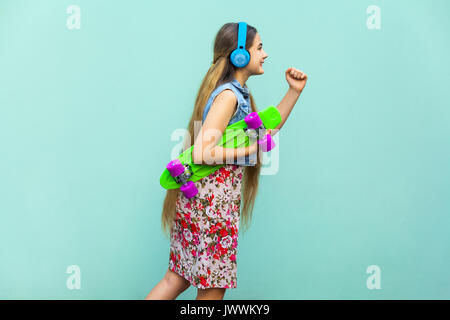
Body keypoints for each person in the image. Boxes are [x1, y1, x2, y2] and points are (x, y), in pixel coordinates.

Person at [145, 22, 307, 300]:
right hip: (210, 205)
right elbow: (202, 152)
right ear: (240, 56)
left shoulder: (236, 95)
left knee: (177, 278)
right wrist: (249, 152)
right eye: (259, 48)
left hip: (201, 200)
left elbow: (266, 129)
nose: (265, 54)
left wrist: (294, 91)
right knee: (211, 285)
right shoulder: (229, 96)